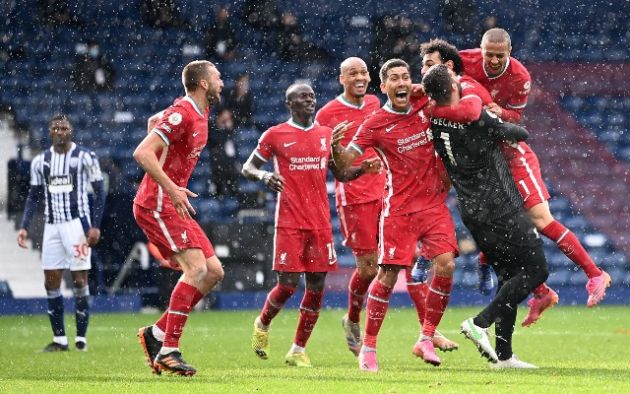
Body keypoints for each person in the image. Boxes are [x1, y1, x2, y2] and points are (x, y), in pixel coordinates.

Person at [459, 29, 611, 325]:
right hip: (486, 160)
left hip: (512, 154)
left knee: (540, 220)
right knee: (499, 231)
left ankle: (595, 274)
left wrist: (498, 111)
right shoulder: (465, 60)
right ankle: (541, 292)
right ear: (480, 49)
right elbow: (443, 74)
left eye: (499, 56)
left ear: (510, 52)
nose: (491, 60)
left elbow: (516, 117)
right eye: (488, 54)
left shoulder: (520, 76)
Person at [315, 57, 457, 358]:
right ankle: (353, 319)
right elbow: (335, 168)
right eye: (352, 72)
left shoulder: (388, 103)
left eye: (363, 71)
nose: (359, 76)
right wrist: (350, 162)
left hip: (391, 194)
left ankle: (427, 334)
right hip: (355, 198)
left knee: (413, 261)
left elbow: (436, 94)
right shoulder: (329, 114)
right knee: (370, 270)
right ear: (341, 78)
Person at [242, 83, 380, 368]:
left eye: (312, 96)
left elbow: (340, 174)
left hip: (319, 223)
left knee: (317, 286)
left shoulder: (326, 135)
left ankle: (297, 349)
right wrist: (264, 176)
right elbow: (248, 167)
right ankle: (263, 323)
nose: (309, 100)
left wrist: (361, 170)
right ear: (288, 103)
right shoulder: (275, 135)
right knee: (288, 285)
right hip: (290, 222)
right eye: (302, 97)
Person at [423, 63, 549, 368]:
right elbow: (519, 132)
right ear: (453, 87)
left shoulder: (436, 121)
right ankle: (480, 323)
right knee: (536, 270)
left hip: (472, 212)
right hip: (500, 205)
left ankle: (504, 357)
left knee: (508, 275)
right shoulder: (474, 118)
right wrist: (495, 115)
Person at [133, 60, 225, 376]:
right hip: (157, 204)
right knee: (196, 268)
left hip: (174, 204)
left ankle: (155, 334)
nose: (222, 82)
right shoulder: (184, 113)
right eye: (217, 77)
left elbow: (152, 121)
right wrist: (173, 189)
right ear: (202, 83)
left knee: (213, 272)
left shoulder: (198, 112)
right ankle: (169, 349)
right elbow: (142, 152)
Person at [17, 114, 106, 352]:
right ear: (50, 132)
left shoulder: (85, 157)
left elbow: (100, 191)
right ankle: (59, 340)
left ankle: (81, 339)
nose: (59, 131)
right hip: (52, 226)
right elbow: (34, 196)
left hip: (77, 226)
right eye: (55, 128)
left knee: (79, 280)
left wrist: (95, 225)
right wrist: (24, 226)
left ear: (70, 131)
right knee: (51, 281)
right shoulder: (41, 161)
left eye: (64, 127)